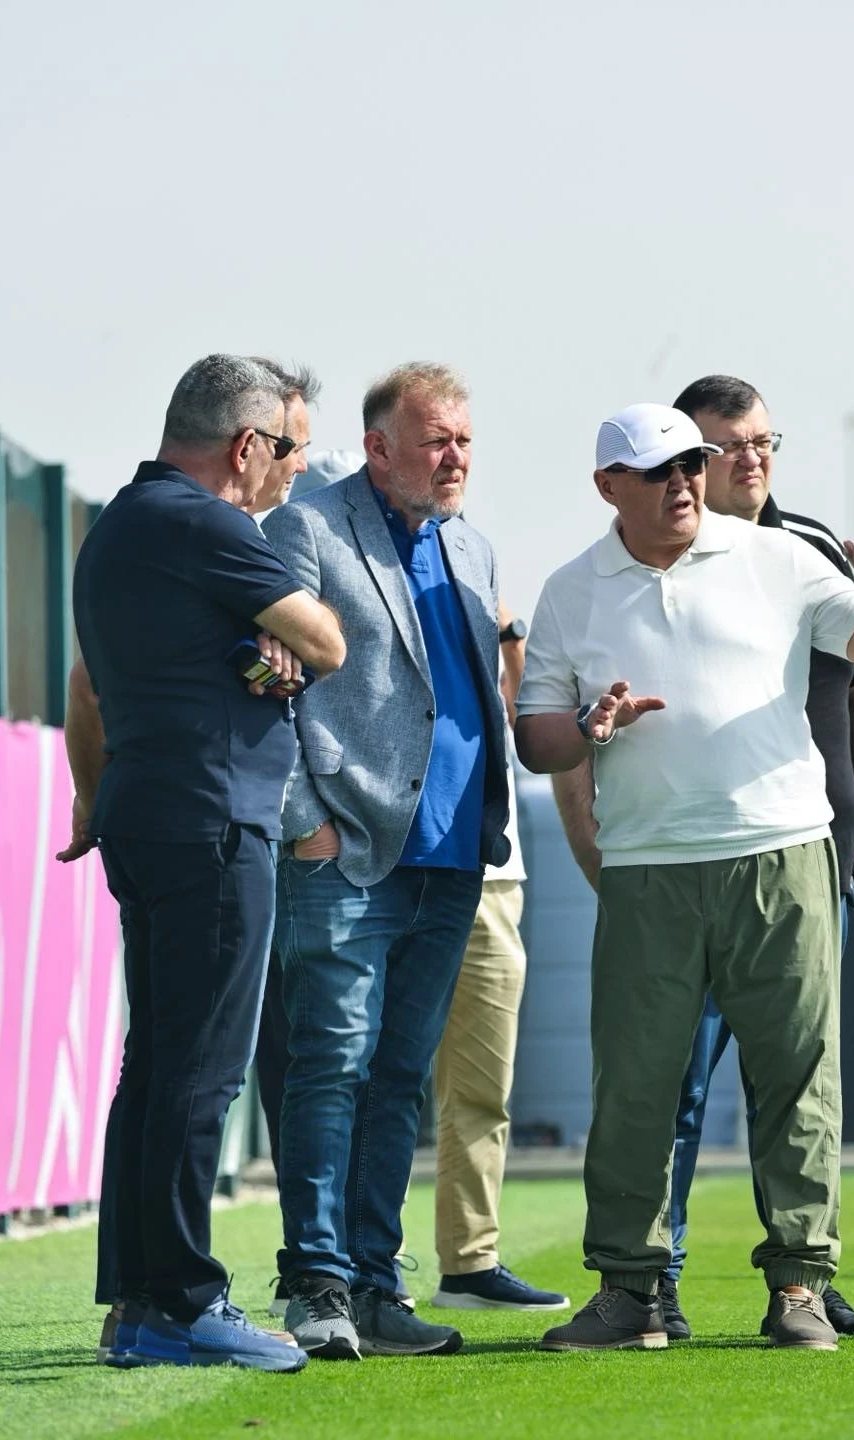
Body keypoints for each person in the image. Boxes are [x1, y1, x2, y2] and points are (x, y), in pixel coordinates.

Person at [515, 401, 854, 1353]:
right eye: (659, 470)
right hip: (648, 871)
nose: (684, 482)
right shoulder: (571, 590)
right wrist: (588, 728)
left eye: (692, 464)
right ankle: (631, 1293)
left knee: (798, 1080)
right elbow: (536, 739)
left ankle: (800, 1287)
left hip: (783, 857)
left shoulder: (779, 557)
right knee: (636, 1088)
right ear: (608, 486)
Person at [65, 353, 345, 1371]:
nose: (293, 471)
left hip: (149, 814)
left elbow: (87, 684)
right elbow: (328, 641)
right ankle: (183, 1303)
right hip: (215, 824)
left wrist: (91, 799)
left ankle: (140, 1301)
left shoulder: (119, 527)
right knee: (201, 1074)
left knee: (156, 1068)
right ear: (246, 444)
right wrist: (276, 630)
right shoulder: (208, 525)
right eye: (290, 450)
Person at [261, 362, 510, 1360]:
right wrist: (303, 822)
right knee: (331, 1066)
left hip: (453, 858)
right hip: (345, 849)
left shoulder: (474, 546)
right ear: (378, 448)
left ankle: (374, 1284)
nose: (456, 458)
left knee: (399, 1076)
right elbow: (263, 686)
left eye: (464, 440)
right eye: (436, 440)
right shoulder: (306, 529)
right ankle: (316, 1283)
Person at [430, 607, 569, 1313]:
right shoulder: (355, 565)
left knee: (483, 1085)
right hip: (385, 866)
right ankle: (336, 1267)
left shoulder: (481, 587)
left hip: (490, 875)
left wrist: (509, 637)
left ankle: (468, 1263)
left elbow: (529, 730)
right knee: (354, 1080)